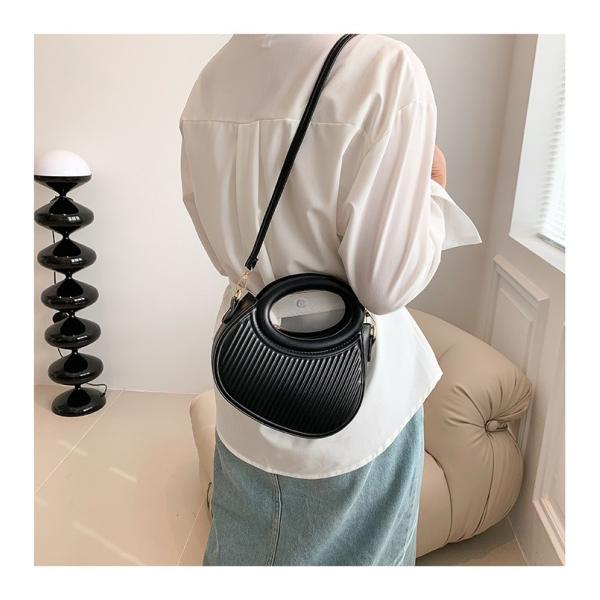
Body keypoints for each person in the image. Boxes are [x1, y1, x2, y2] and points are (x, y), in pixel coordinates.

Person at [179, 34, 481, 566]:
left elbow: (218, 246)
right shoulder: (385, 69)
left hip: (248, 375)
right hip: (355, 400)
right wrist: (433, 191)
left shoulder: (212, 78)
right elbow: (385, 286)